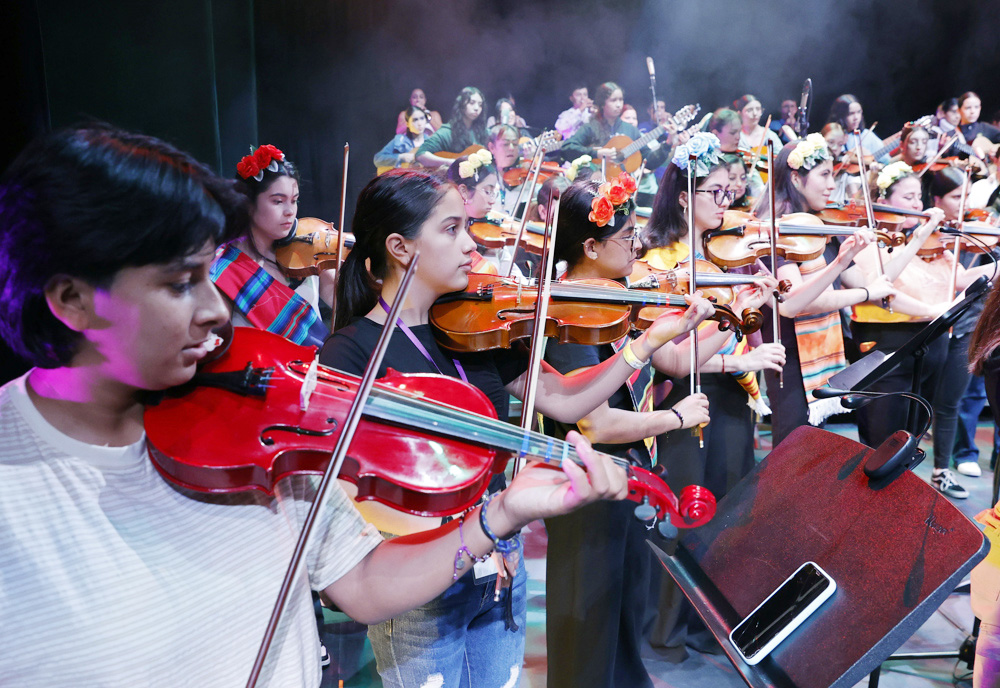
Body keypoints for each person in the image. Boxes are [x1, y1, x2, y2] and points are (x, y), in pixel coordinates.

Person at [0, 123, 629, 687]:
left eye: (208, 275)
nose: (218, 310)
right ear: (72, 300)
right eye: (178, 283)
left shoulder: (258, 421)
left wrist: (501, 513)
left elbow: (360, 582)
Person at [319, 168, 706, 688]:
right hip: (416, 577)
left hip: (500, 558)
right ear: (400, 247)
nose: (470, 244)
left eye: (468, 227)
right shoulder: (350, 351)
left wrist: (645, 345)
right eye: (452, 229)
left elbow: (566, 400)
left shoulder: (477, 332)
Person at [542, 176, 755, 688]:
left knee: (624, 616)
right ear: (590, 247)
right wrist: (674, 419)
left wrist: (729, 318)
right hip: (587, 487)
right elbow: (595, 421)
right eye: (627, 239)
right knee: (589, 630)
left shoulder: (620, 298)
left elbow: (677, 360)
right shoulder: (570, 317)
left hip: (628, 476)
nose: (638, 248)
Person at [640, 133, 785, 657]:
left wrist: (754, 302)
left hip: (731, 398)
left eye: (731, 194)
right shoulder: (658, 263)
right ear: (684, 196)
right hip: (682, 397)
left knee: (727, 517)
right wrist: (738, 327)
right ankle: (666, 630)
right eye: (717, 193)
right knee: (684, 514)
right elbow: (674, 355)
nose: (728, 205)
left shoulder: (726, 257)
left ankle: (711, 628)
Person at [850, 163, 992, 498]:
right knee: (881, 442)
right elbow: (883, 290)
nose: (917, 205)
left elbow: (957, 280)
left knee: (911, 441)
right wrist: (934, 311)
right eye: (908, 197)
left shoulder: (932, 245)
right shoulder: (874, 243)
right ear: (884, 198)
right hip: (889, 348)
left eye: (919, 197)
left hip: (931, 347)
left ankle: (899, 516)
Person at [755, 135, 895, 446]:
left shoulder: (819, 228)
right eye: (824, 174)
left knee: (811, 448)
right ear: (796, 178)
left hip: (820, 350)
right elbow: (797, 302)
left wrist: (909, 241)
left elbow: (872, 281)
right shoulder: (778, 231)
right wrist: (865, 294)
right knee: (792, 447)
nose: (833, 185)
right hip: (789, 353)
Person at [212, 144, 332, 348]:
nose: (290, 211)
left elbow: (350, 309)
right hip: (261, 377)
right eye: (278, 201)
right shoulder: (225, 269)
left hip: (318, 372)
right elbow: (216, 345)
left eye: (294, 201)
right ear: (248, 204)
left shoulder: (307, 252)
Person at [561, 82, 667, 173]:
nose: (618, 104)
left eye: (620, 100)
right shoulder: (592, 127)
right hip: (594, 186)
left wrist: (668, 144)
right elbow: (567, 148)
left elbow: (648, 162)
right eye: (613, 100)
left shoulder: (630, 130)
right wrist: (596, 154)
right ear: (603, 103)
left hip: (622, 190)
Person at [415, 87, 489, 169]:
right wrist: (450, 162)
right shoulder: (447, 132)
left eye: (480, 105)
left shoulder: (485, 132)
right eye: (472, 103)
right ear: (461, 104)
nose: (476, 108)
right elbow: (420, 154)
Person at [828, 94, 890, 164]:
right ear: (841, 115)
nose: (856, 118)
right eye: (851, 113)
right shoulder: (833, 136)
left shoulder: (867, 135)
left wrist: (876, 165)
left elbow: (886, 160)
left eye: (859, 112)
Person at [375, 106, 427, 174]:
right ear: (407, 124)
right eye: (415, 120)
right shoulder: (400, 140)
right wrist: (400, 157)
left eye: (422, 118)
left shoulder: (431, 142)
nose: (420, 123)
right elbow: (378, 159)